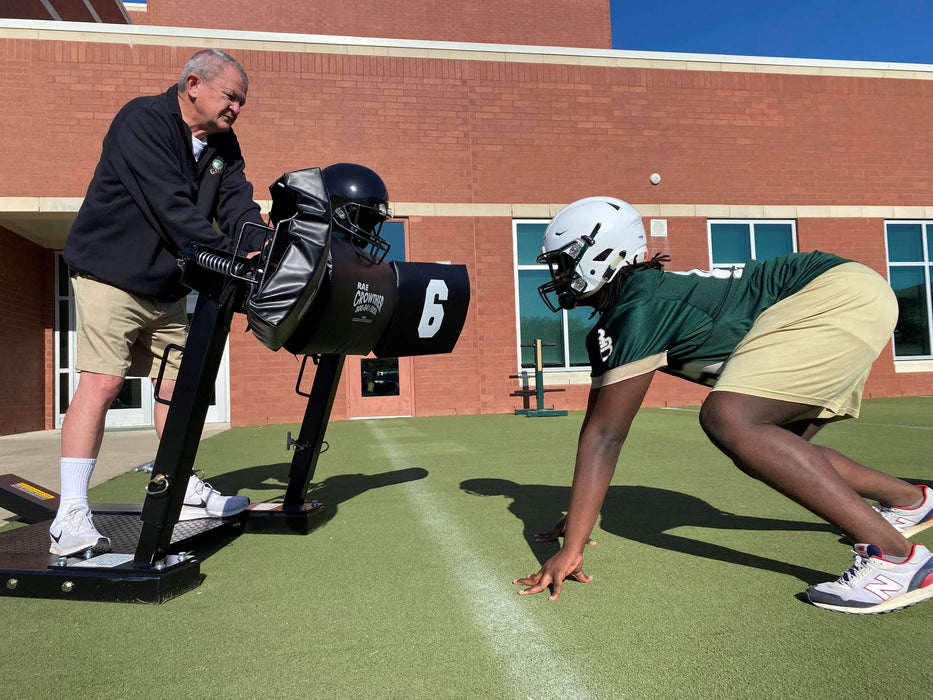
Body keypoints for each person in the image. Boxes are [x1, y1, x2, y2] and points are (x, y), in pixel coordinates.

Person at [514, 196, 933, 614]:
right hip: (846, 291)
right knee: (770, 449)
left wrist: (571, 549)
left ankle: (896, 560)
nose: (558, 275)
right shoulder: (631, 309)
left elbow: (605, 437)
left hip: (832, 293)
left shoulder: (638, 309)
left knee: (730, 419)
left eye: (565, 263)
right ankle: (910, 499)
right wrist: (580, 519)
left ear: (602, 254)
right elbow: (598, 432)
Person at [52, 49, 268, 557]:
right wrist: (237, 250)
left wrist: (262, 242)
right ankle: (70, 514)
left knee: (179, 389)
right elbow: (169, 207)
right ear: (193, 84)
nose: (236, 108)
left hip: (166, 285)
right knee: (103, 382)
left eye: (242, 101)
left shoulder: (222, 143)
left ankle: (182, 486)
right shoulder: (142, 121)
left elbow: (237, 202)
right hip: (110, 274)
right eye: (230, 97)